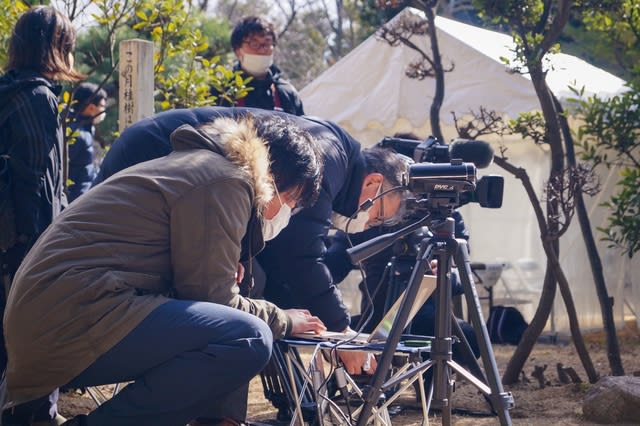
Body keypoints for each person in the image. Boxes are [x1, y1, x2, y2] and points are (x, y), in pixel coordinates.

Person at [4, 114, 326, 426]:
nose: (288, 213)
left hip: (53, 319)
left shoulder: (201, 168)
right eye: (293, 201)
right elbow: (213, 299)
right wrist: (284, 319)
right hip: (72, 319)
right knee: (248, 337)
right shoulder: (225, 181)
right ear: (273, 177)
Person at [91, 107, 407, 422]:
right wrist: (340, 331)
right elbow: (299, 256)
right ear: (374, 182)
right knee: (238, 314)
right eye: (377, 215)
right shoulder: (327, 158)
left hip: (151, 154)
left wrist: (241, 259)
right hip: (151, 155)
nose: (369, 225)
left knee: (247, 285)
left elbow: (286, 253)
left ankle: (220, 417)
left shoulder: (332, 149)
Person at [0, 5, 84, 425]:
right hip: (25, 250)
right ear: (56, 48)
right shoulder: (37, 98)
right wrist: (45, 254)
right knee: (34, 346)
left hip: (5, 245)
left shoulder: (8, 91)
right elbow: (36, 184)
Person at [215, 16, 304, 115]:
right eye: (254, 44)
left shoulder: (287, 93)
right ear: (238, 50)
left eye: (267, 43)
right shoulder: (221, 90)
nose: (262, 50)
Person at [66, 82, 108, 202]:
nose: (103, 110)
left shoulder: (85, 128)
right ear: (90, 107)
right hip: (76, 201)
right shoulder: (77, 134)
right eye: (102, 106)